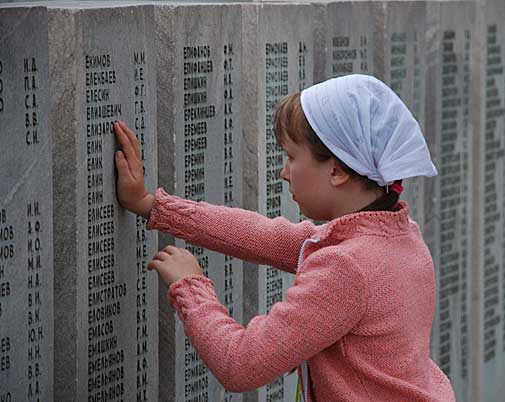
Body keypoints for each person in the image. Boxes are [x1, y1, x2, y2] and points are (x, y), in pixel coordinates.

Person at [114, 74, 455, 402]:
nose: (283, 172)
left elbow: (242, 366)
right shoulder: (396, 235)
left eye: (292, 157)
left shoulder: (348, 266)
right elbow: (265, 236)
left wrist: (191, 286)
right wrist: (152, 205)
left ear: (337, 169)